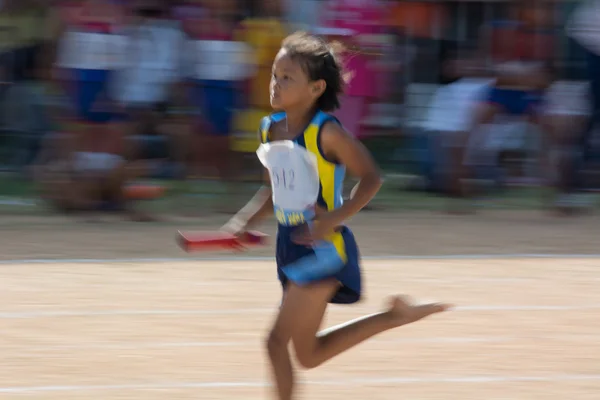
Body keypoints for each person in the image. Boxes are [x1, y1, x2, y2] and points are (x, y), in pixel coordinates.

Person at [222, 32, 449, 400]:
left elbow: (372, 177)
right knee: (309, 355)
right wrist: (243, 223)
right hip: (290, 244)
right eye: (274, 75)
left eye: (287, 77)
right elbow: (273, 190)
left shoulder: (326, 132)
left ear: (316, 88)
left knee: (274, 343)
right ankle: (394, 317)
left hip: (324, 248)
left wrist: (333, 218)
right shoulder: (268, 128)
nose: (275, 84)